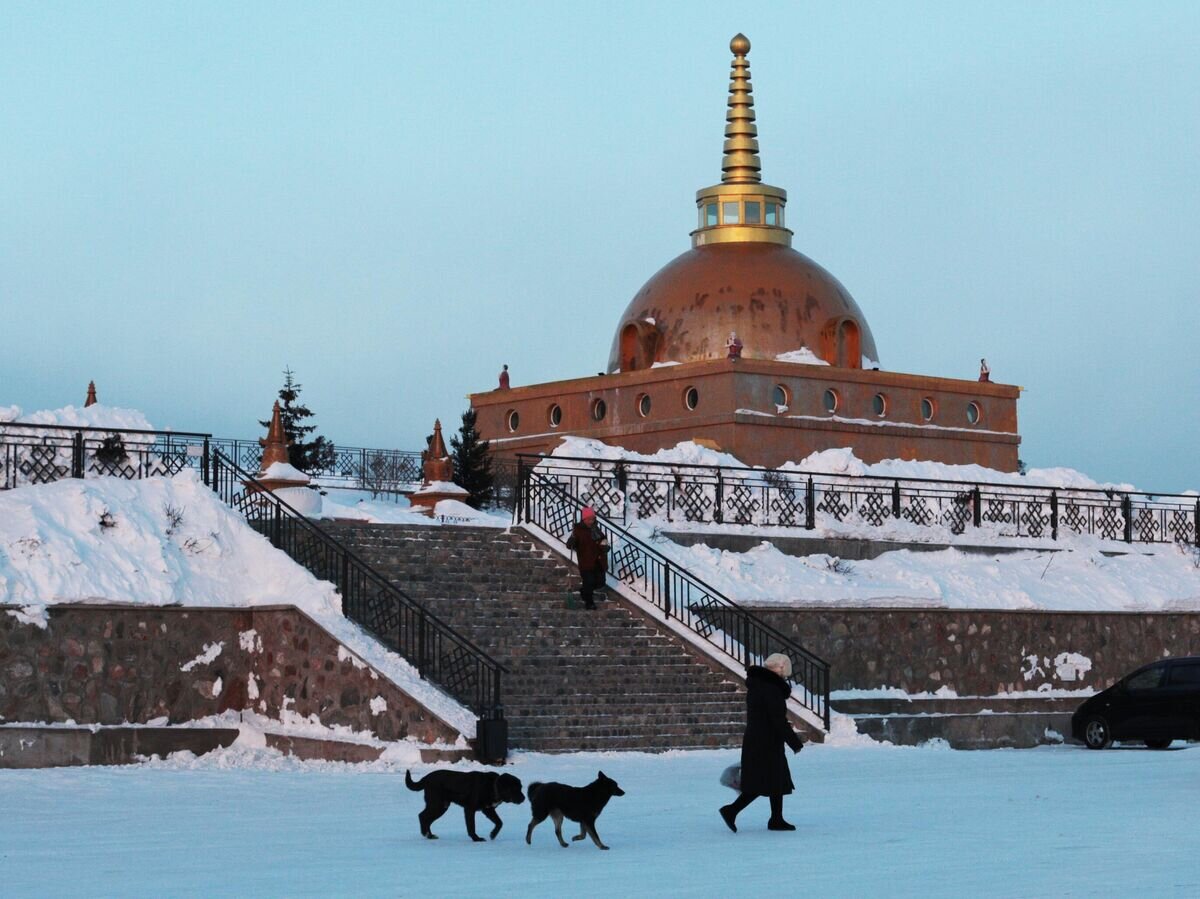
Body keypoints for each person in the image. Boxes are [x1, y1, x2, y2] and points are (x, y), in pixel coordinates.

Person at [719, 652, 804, 833]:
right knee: (761, 781)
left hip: (760, 739)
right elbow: (777, 719)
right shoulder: (770, 688)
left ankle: (776, 818)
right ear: (781, 668)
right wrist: (794, 742)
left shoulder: (760, 685)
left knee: (776, 779)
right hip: (765, 742)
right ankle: (731, 810)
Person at [566, 506, 608, 610]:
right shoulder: (578, 530)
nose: (591, 521)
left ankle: (584, 591)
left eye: (592, 519)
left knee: (600, 582)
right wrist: (572, 541)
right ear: (584, 519)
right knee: (588, 582)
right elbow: (569, 545)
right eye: (589, 519)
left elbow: (604, 542)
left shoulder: (596, 530)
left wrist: (605, 546)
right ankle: (589, 602)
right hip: (586, 561)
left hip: (599, 561)